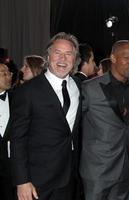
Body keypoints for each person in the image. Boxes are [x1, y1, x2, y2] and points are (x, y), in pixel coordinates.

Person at [10, 32, 81, 200]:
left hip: (69, 177)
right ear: (48, 56)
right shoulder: (27, 91)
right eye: (57, 52)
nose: (62, 59)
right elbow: (17, 139)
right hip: (36, 180)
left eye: (68, 53)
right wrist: (22, 181)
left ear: (75, 59)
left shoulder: (78, 86)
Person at [80, 40, 129, 200]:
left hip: (125, 168)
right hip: (97, 171)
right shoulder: (90, 88)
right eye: (127, 58)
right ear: (113, 58)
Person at [0, 63, 14, 200]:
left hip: (11, 166)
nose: (8, 76)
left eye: (9, 73)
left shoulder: (19, 99)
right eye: (3, 73)